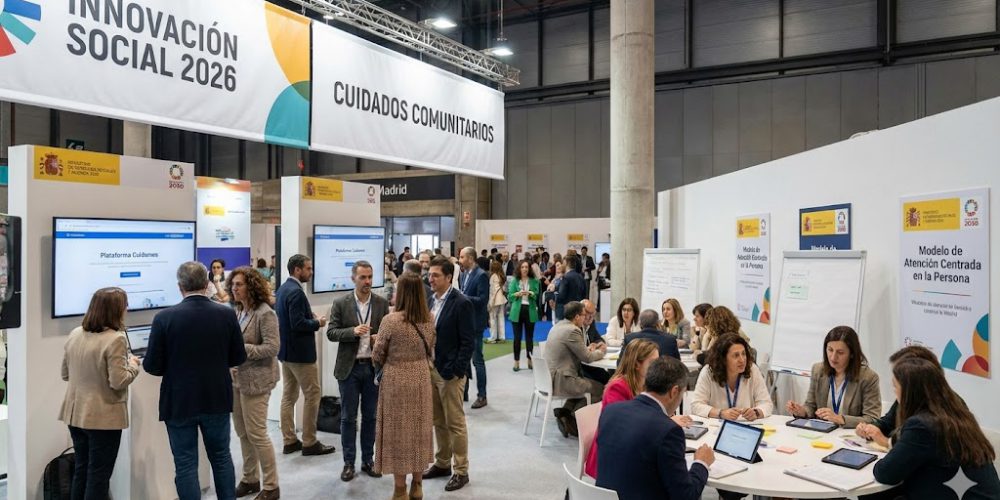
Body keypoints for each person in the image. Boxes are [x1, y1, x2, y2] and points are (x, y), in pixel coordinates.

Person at [142, 262, 247, 500]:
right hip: (217, 397)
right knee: (221, 457)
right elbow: (238, 357)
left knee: (186, 464)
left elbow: (152, 367)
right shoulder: (226, 314)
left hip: (179, 401)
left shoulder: (163, 318)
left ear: (180, 287)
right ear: (207, 284)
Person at [872, 358, 1000, 499]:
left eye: (895, 387)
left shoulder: (921, 425)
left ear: (910, 392)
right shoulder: (955, 414)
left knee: (875, 495)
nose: (895, 394)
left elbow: (885, 473)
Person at [59, 287, 141, 500]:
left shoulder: (75, 333)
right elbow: (119, 381)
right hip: (103, 418)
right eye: (125, 305)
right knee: (99, 476)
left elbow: (65, 374)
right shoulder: (116, 339)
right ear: (116, 310)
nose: (127, 309)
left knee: (82, 469)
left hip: (75, 414)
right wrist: (133, 365)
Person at [595, 357, 713, 500]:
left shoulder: (610, 411)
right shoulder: (669, 431)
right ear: (674, 392)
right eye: (683, 394)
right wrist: (701, 463)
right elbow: (686, 495)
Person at [373, 274, 436, 500]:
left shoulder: (390, 321)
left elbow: (377, 354)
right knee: (419, 431)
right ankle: (417, 486)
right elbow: (431, 346)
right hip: (421, 379)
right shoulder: (429, 318)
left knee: (397, 434)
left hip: (396, 381)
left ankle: (400, 489)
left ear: (400, 292)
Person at [326, 261, 390, 482]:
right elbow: (331, 332)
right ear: (353, 278)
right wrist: (352, 331)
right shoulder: (341, 303)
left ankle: (368, 461)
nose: (367, 281)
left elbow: (387, 335)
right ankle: (348, 463)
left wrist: (378, 338)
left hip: (373, 368)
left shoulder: (381, 303)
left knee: (371, 417)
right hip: (349, 369)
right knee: (348, 418)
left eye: (370, 277)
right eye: (363, 277)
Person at [226, 267, 281, 500]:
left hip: (258, 381)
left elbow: (272, 348)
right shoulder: (239, 310)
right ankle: (250, 479)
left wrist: (242, 349)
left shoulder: (265, 313)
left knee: (257, 433)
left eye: (239, 284)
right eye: (232, 284)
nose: (234, 288)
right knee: (242, 432)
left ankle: (271, 486)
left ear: (251, 286)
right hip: (237, 380)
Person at [422, 256, 475, 492]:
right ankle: (442, 463)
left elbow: (468, 342)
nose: (430, 279)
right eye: (429, 275)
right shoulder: (430, 300)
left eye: (435, 275)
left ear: (448, 278)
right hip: (431, 369)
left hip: (450, 373)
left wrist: (457, 370)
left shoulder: (461, 303)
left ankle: (461, 470)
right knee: (438, 421)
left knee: (455, 423)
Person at [274, 255, 334, 457]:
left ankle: (289, 440)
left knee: (289, 396)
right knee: (312, 394)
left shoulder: (283, 289)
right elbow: (298, 324)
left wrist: (310, 317)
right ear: (297, 270)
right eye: (308, 268)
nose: (311, 272)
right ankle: (309, 441)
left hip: (286, 352)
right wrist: (318, 323)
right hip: (301, 354)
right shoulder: (296, 292)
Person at [585, 340, 663, 478]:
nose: (657, 367)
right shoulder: (617, 388)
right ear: (636, 364)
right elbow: (622, 427)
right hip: (611, 456)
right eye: (652, 363)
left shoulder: (648, 385)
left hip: (632, 448)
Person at [786, 326, 881, 429]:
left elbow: (872, 419)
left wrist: (841, 419)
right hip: (822, 432)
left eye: (840, 352)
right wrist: (802, 411)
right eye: (830, 350)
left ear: (852, 354)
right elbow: (811, 406)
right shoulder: (818, 370)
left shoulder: (868, 378)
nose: (833, 357)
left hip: (849, 434)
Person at [544, 301, 607, 438]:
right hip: (562, 380)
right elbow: (587, 358)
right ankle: (572, 420)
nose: (586, 318)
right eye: (584, 315)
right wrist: (601, 351)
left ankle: (564, 413)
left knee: (586, 386)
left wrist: (587, 350)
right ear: (577, 317)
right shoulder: (573, 330)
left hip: (548, 379)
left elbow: (580, 352)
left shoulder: (558, 326)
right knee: (602, 389)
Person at [690, 333, 771, 420]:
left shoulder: (752, 370)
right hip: (717, 425)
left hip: (745, 425)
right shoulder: (709, 372)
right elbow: (696, 405)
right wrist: (720, 413)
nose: (742, 360)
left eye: (743, 354)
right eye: (736, 355)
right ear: (723, 359)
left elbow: (766, 403)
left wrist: (756, 412)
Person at [457, 246, 490, 409]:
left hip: (476, 324)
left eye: (462, 257)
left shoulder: (481, 275)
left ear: (470, 258)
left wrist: (464, 297)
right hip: (465, 323)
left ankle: (482, 396)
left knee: (477, 360)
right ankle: (464, 391)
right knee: (464, 359)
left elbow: (483, 300)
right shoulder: (464, 274)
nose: (460, 260)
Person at [508, 259, 539, 372]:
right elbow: (509, 297)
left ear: (529, 269)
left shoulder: (534, 281)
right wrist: (517, 294)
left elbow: (537, 295)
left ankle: (530, 360)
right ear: (519, 269)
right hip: (517, 310)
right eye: (522, 267)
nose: (525, 269)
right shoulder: (514, 280)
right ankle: (516, 361)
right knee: (517, 338)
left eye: (526, 267)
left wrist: (531, 293)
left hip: (530, 310)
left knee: (529, 338)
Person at [579, 300, 611, 385]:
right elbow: (581, 354)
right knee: (603, 381)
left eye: (593, 314)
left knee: (608, 378)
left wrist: (596, 344)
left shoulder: (591, 323)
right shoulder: (575, 328)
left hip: (590, 363)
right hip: (579, 367)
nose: (590, 317)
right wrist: (597, 350)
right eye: (588, 313)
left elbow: (599, 339)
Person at [556, 254, 587, 321]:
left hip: (567, 310)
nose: (562, 265)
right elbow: (584, 295)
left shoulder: (566, 277)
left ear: (566, 263)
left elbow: (561, 296)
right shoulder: (581, 277)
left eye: (563, 263)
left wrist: (555, 299)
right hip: (578, 310)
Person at [486, 260, 507, 344]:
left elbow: (492, 290)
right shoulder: (501, 276)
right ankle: (501, 337)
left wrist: (490, 302)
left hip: (495, 299)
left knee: (492, 318)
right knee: (501, 317)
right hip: (501, 298)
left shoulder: (493, 276)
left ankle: (493, 337)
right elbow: (504, 289)